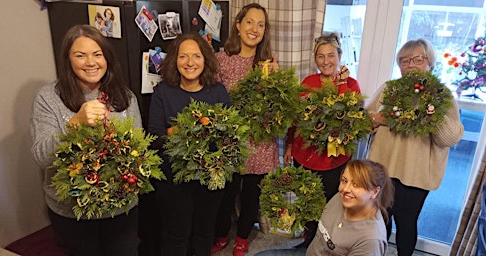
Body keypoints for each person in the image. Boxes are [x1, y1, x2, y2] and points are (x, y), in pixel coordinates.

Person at [30, 24, 142, 256]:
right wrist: (74, 124)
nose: (91, 62)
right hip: (73, 212)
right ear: (68, 60)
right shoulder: (49, 97)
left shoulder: (125, 96)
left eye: (97, 54)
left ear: (107, 58)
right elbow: (41, 157)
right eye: (80, 55)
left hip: (120, 208)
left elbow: (138, 148)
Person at [367, 38, 464, 256]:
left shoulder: (442, 96)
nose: (410, 65)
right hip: (383, 170)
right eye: (404, 60)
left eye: (417, 59)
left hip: (416, 174)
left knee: (407, 222)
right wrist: (377, 118)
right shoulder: (388, 89)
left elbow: (450, 138)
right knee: (380, 220)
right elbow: (364, 120)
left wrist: (432, 113)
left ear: (430, 63)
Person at [147, 32, 231, 256]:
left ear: (206, 59)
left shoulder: (218, 92)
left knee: (204, 234)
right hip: (174, 180)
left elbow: (230, 134)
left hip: (210, 178)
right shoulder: (163, 93)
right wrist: (180, 131)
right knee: (176, 236)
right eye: (183, 56)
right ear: (175, 60)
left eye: (196, 56)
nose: (190, 62)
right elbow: (154, 139)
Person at [211, 3, 279, 256]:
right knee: (224, 196)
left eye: (261, 25)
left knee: (252, 197)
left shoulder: (267, 64)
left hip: (259, 142)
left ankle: (241, 238)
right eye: (250, 22)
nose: (255, 29)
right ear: (238, 25)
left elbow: (277, 107)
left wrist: (275, 80)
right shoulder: (220, 60)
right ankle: (220, 235)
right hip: (229, 142)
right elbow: (211, 101)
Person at [283, 32, 361, 248]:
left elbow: (348, 117)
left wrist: (342, 84)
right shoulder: (308, 82)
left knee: (331, 205)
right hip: (304, 156)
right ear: (315, 58)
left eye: (331, 56)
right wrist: (290, 143)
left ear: (339, 56)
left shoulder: (351, 85)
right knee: (307, 200)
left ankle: (326, 244)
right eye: (320, 56)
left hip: (333, 161)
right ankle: (308, 240)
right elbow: (296, 118)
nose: (326, 61)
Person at [255, 159, 394, 256]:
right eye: (344, 181)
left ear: (374, 192)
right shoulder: (341, 198)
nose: (345, 189)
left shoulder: (370, 241)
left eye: (356, 185)